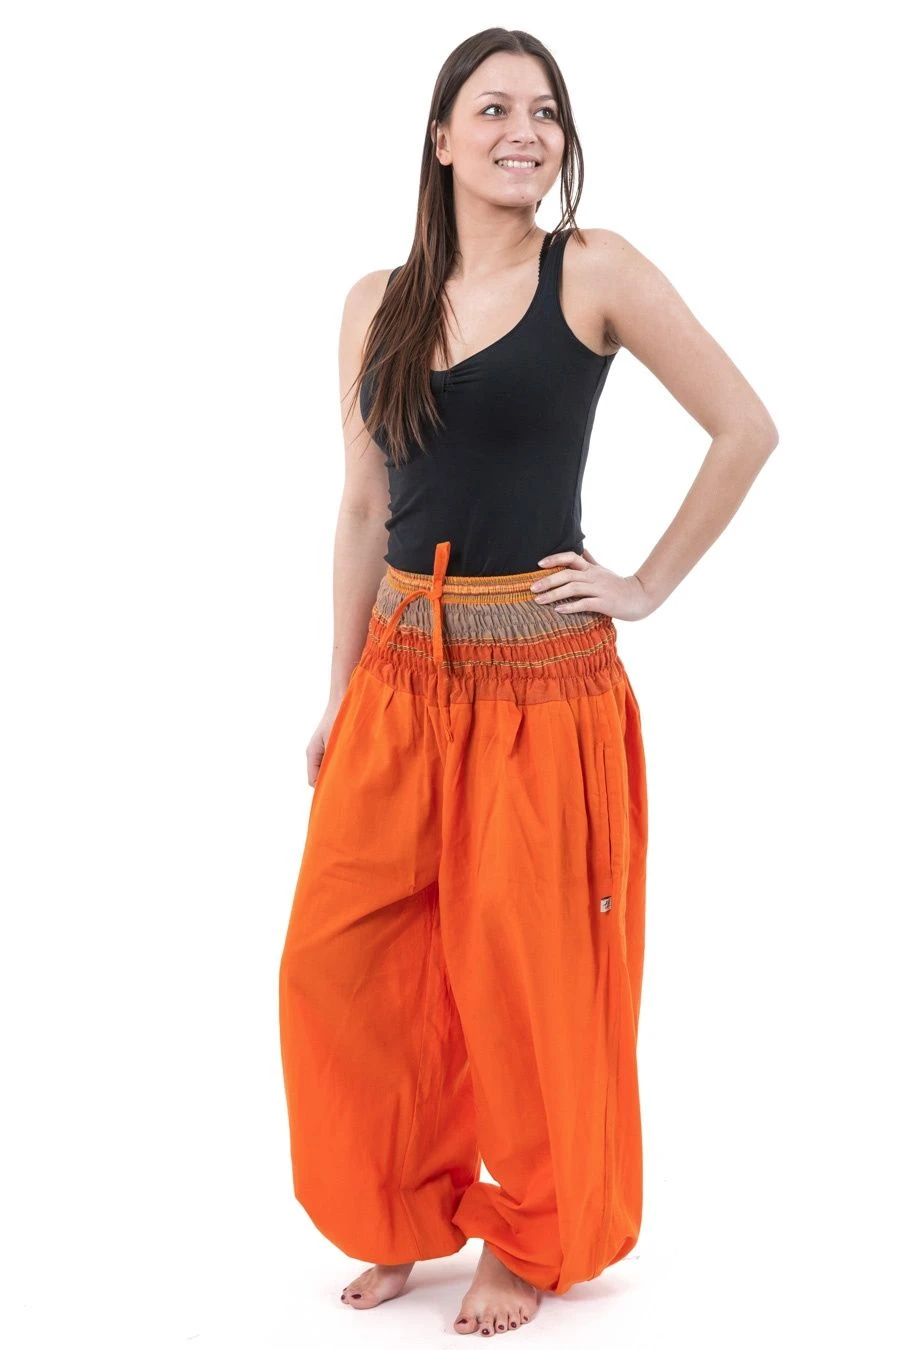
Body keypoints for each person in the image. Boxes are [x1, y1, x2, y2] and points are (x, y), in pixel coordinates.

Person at [278, 26, 778, 1339]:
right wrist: (338, 688)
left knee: (527, 979)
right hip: (399, 674)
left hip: (539, 680)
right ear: (441, 137)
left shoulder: (593, 269)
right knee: (343, 962)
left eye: (545, 112)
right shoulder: (374, 301)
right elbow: (363, 506)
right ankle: (401, 1208)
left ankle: (534, 1234)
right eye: (494, 108)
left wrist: (646, 584)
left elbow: (746, 427)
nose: (525, 132)